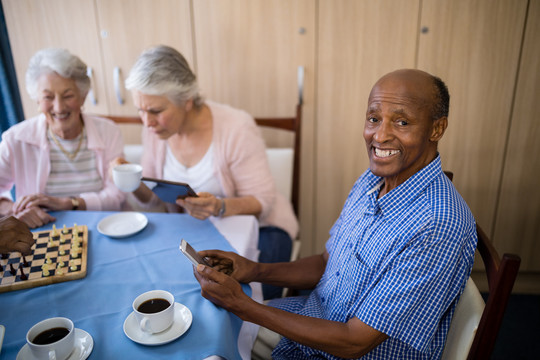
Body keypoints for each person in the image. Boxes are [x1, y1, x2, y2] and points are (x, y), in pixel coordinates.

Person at [192, 69, 478, 359]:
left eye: (402, 122)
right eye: (373, 118)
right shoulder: (372, 181)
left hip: (338, 350)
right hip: (316, 319)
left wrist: (243, 305)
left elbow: (355, 342)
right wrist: (253, 269)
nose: (379, 136)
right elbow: (328, 264)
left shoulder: (436, 224)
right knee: (206, 324)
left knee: (213, 335)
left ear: (436, 129)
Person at [114, 45, 298, 299]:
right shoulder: (157, 130)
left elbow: (263, 202)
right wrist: (131, 179)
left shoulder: (236, 127)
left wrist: (219, 206)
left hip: (262, 229)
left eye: (156, 111)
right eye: (140, 110)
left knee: (233, 296)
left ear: (187, 100)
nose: (146, 121)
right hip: (195, 235)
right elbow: (151, 199)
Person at [0, 48, 126, 229]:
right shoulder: (16, 140)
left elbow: (117, 197)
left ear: (83, 97)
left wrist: (69, 203)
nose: (58, 107)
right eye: (48, 97)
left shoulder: (108, 131)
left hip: (105, 227)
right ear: (37, 100)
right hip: (44, 235)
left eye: (68, 96)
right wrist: (15, 209)